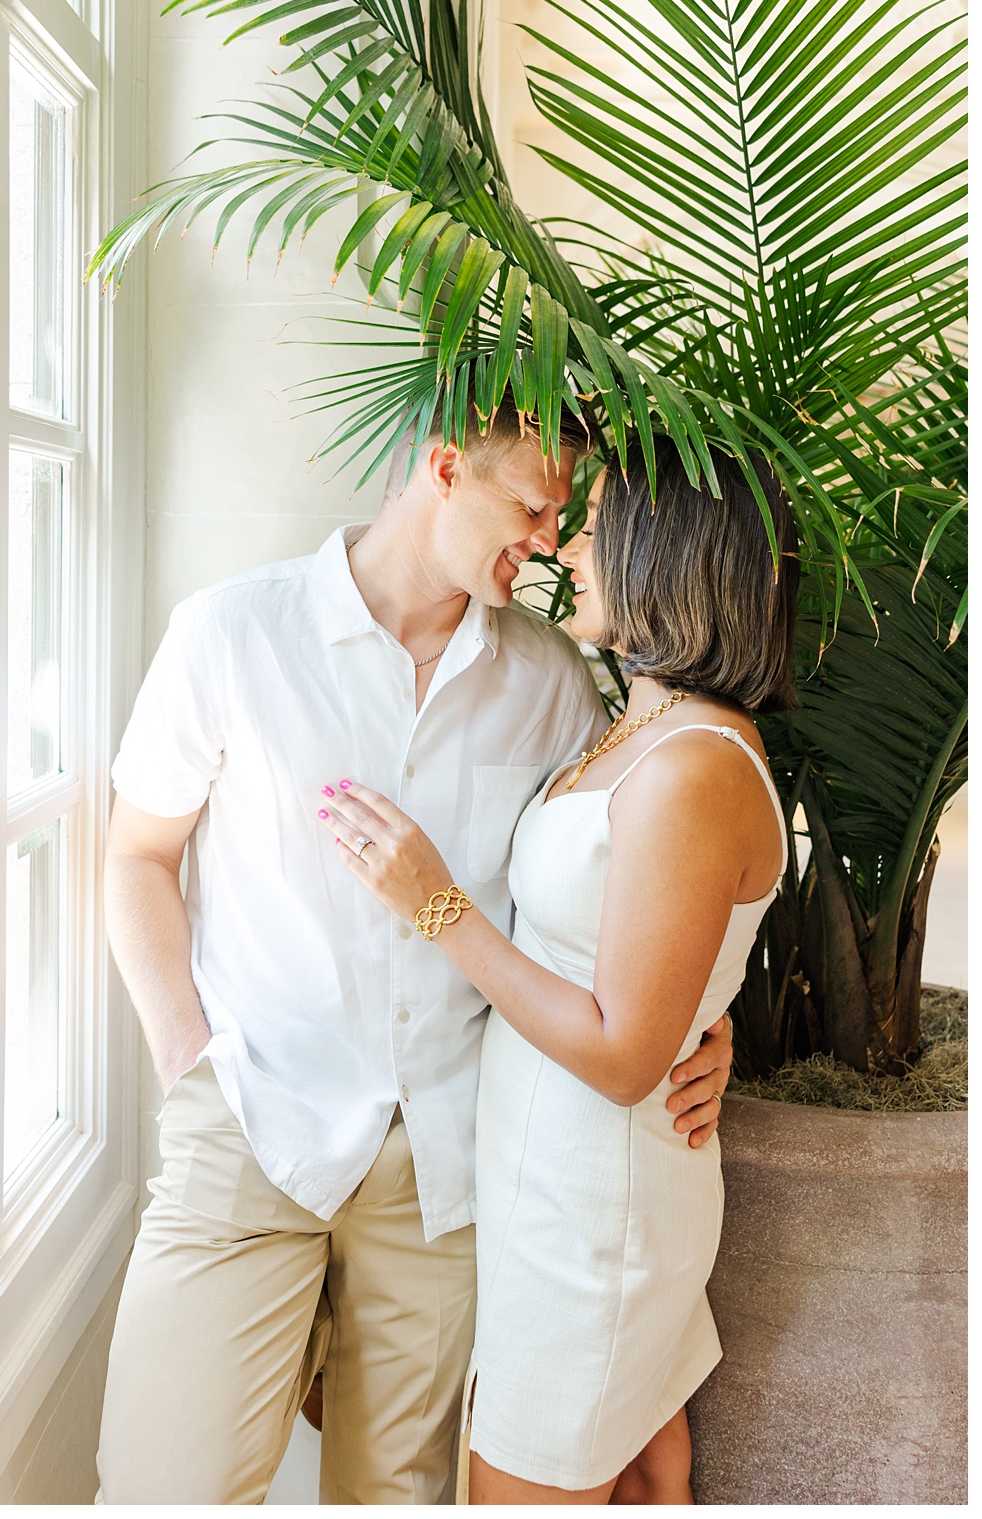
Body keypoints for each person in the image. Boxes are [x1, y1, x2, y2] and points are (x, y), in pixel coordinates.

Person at [95, 397, 736, 1504]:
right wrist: (190, 1064)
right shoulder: (230, 634)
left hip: (449, 1169)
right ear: (445, 468)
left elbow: (615, 890)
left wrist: (706, 1020)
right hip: (250, 1123)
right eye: (533, 507)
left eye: (562, 517)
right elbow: (136, 860)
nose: (548, 542)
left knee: (397, 1499)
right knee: (163, 1486)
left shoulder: (552, 685)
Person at [318, 435, 798, 1504]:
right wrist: (709, 1022)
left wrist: (433, 904)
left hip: (596, 1219)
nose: (565, 548)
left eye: (593, 526)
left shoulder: (692, 768)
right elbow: (648, 970)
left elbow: (628, 1056)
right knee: (637, 1478)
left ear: (662, 552)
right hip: (555, 1203)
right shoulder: (643, 727)